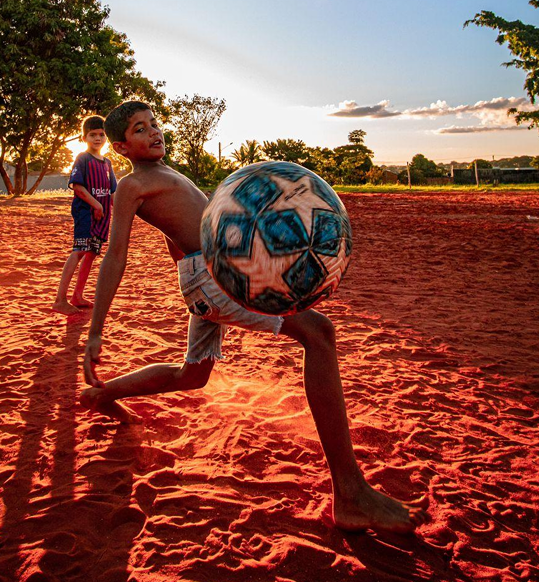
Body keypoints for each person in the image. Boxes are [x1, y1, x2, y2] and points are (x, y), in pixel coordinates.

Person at [81, 101, 429, 534]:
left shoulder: (165, 174)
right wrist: (95, 331)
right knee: (318, 333)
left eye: (154, 124)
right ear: (120, 145)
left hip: (208, 273)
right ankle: (351, 494)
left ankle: (101, 395)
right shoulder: (131, 186)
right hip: (212, 277)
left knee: (192, 376)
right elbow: (115, 255)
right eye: (139, 129)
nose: (154, 132)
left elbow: (189, 228)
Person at [52, 115, 117, 315]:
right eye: (92, 135)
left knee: (92, 253)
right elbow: (78, 188)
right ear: (84, 137)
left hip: (103, 217)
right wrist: (96, 204)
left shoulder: (107, 163)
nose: (97, 138)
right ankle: (60, 300)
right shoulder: (83, 158)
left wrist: (120, 212)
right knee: (79, 251)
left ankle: (77, 296)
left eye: (101, 135)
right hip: (86, 213)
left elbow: (113, 191)